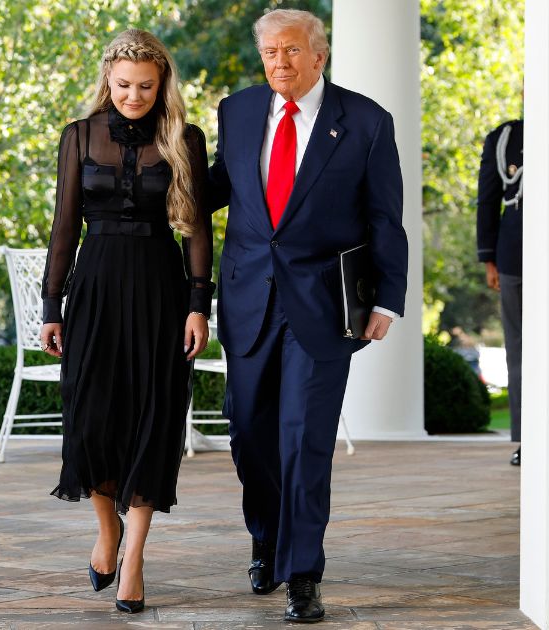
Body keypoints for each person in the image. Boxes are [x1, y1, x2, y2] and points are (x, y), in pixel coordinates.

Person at [205, 9, 407, 623]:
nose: (279, 64)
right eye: (269, 53)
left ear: (319, 55)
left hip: (323, 305)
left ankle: (302, 572)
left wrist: (387, 298)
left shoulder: (366, 121)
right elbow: (218, 186)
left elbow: (384, 218)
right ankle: (265, 535)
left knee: (304, 440)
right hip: (247, 299)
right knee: (249, 435)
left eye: (291, 51)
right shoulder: (237, 112)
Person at [38, 29, 214, 614]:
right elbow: (65, 227)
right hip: (95, 289)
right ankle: (106, 531)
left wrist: (198, 306)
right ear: (106, 81)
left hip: (161, 291)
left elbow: (196, 229)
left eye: (144, 85)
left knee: (154, 417)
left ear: (162, 83)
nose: (133, 96)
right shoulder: (80, 136)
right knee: (91, 417)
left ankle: (134, 556)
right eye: (122, 86)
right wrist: (51, 306)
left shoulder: (185, 138)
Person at [476, 119, 524, 466]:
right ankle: (527, 439)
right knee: (519, 351)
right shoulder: (505, 137)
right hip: (515, 252)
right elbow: (488, 199)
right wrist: (488, 259)